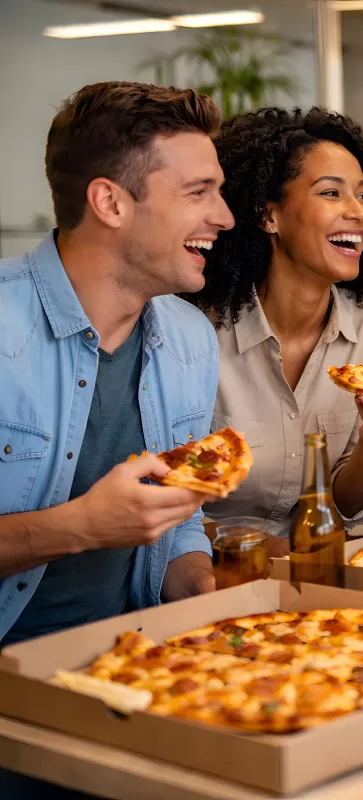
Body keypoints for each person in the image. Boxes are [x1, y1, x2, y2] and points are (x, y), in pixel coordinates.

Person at [0, 82, 231, 652]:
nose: (223, 216)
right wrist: (80, 526)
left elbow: (178, 525)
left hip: (133, 661)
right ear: (111, 203)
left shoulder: (191, 338)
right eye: (198, 192)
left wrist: (204, 588)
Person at [185, 108, 363, 542]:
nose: (359, 214)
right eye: (332, 194)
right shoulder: (194, 331)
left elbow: (348, 510)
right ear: (268, 215)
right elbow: (169, 502)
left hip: (322, 574)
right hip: (213, 574)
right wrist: (261, 548)